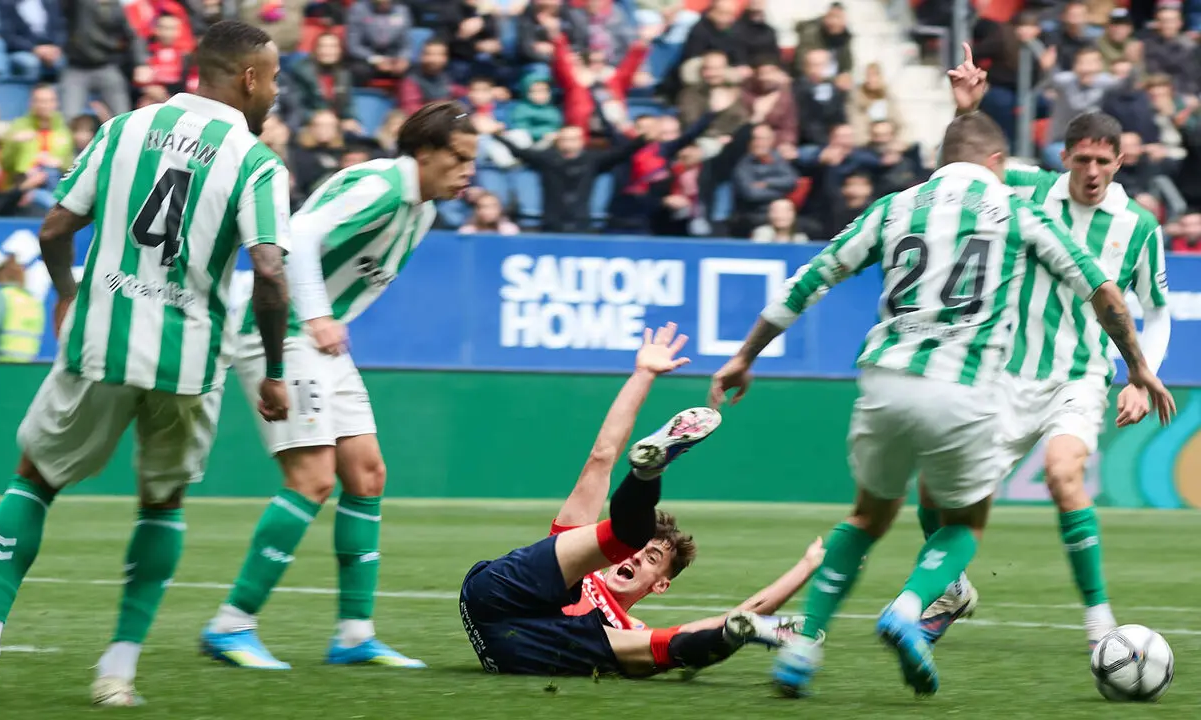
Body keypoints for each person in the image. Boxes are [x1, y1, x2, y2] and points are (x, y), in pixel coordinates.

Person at [708, 111, 1175, 699]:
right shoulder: (1020, 207)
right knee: (961, 523)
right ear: (1001, 165)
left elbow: (811, 277)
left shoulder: (894, 205)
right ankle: (911, 605)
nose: (1089, 170)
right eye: (1079, 158)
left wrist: (743, 355)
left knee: (866, 518)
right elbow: (1105, 291)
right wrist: (1137, 367)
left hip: (884, 379)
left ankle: (803, 651)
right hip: (969, 385)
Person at [0, 20, 294, 707]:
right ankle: (117, 673)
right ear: (248, 77)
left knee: (35, 480)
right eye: (272, 79)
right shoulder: (255, 162)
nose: (274, 92)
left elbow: (54, 228)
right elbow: (270, 273)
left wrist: (67, 295)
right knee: (162, 502)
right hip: (186, 363)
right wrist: (274, 370)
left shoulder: (124, 128)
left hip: (101, 341)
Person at [198, 101, 477, 671]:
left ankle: (353, 634)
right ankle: (231, 624)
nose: (469, 171)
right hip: (281, 328)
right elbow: (295, 236)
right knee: (312, 478)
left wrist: (330, 323)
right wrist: (320, 316)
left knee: (367, 474)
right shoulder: (378, 185)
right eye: (460, 159)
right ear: (424, 154)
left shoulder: (421, 212)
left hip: (321, 337)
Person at [917, 49, 1174, 651]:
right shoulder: (1029, 189)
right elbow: (970, 167)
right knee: (933, 490)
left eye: (1103, 162)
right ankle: (951, 588)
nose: (1092, 171)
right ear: (1064, 157)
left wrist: (1141, 376)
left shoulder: (1138, 227)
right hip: (1004, 374)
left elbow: (1157, 310)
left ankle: (1099, 621)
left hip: (1078, 379)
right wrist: (971, 109)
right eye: (1081, 159)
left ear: (1120, 162)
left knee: (1064, 475)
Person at [460, 323, 825, 678]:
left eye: (652, 558)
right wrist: (644, 373)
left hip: (534, 649)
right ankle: (646, 473)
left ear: (660, 584)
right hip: (495, 597)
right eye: (643, 551)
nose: (635, 558)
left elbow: (742, 614)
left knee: (663, 646)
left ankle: (735, 635)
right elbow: (601, 458)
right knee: (623, 537)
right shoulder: (581, 571)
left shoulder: (628, 629)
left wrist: (809, 567)